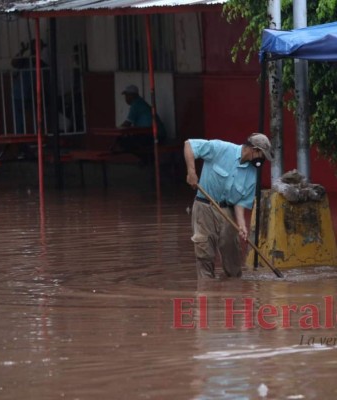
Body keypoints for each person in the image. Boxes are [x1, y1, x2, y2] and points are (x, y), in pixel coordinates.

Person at [184, 133, 273, 279]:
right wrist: (191, 172)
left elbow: (241, 201)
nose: (262, 160)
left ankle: (233, 290)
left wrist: (242, 224)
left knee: (232, 254)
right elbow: (189, 145)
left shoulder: (252, 174)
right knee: (204, 251)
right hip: (204, 206)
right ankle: (207, 289)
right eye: (262, 156)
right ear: (254, 150)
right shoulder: (221, 148)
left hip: (227, 210)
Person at [113, 84, 167, 164]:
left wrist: (115, 130)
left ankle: (148, 160)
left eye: (127, 95)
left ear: (132, 95)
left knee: (124, 142)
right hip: (155, 134)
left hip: (155, 136)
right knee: (131, 141)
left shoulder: (136, 104)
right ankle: (148, 159)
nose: (126, 98)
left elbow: (127, 124)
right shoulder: (140, 103)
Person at [11, 39, 48, 135]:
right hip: (20, 95)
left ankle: (30, 141)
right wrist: (22, 51)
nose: (38, 49)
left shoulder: (40, 63)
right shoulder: (25, 61)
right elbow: (14, 63)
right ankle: (22, 144)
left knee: (32, 120)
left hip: (30, 95)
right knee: (20, 122)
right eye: (37, 47)